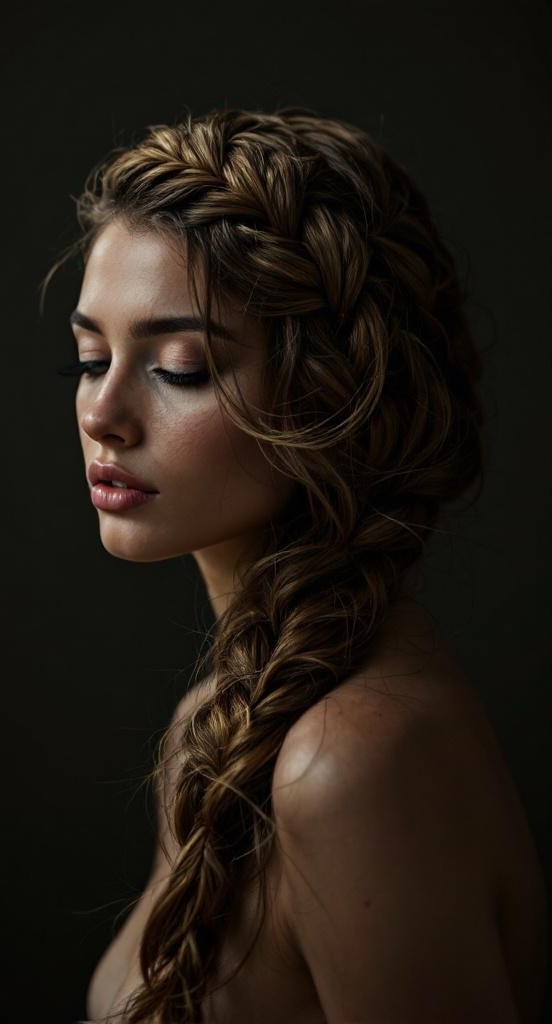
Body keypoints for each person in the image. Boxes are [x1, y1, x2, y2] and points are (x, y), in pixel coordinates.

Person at [42, 107, 549, 1023]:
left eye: (182, 367)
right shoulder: (224, 720)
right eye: (90, 356)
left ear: (328, 396)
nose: (101, 412)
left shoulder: (352, 764)